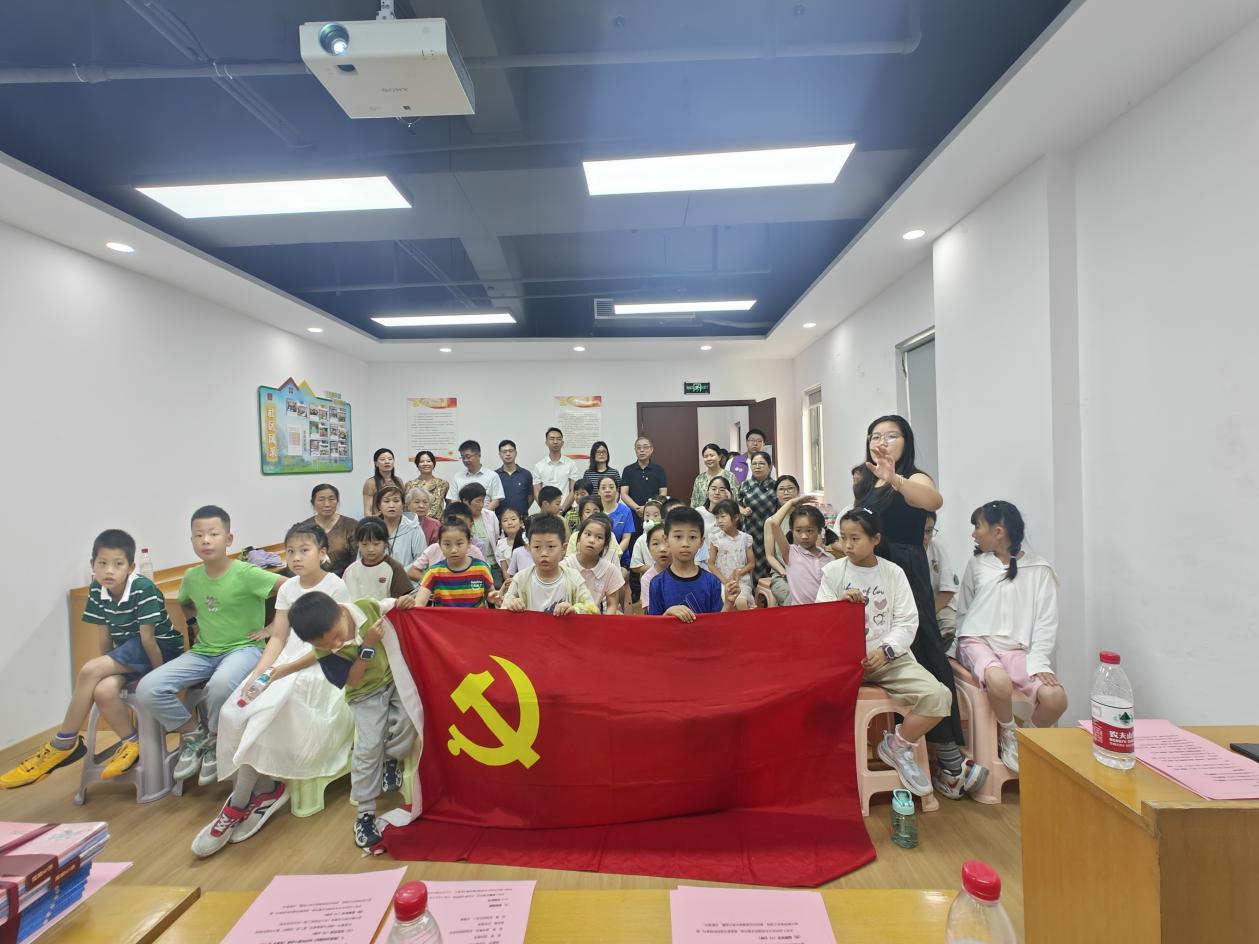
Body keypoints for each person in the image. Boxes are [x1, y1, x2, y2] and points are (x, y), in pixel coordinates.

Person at [194, 521, 361, 858]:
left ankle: (241, 802)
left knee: (274, 708)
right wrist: (259, 674)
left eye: (304, 550)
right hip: (285, 660)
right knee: (237, 707)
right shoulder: (287, 589)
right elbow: (279, 637)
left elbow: (333, 643)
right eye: (290, 552)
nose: (296, 558)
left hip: (321, 663)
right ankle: (261, 791)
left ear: (322, 553)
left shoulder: (335, 586)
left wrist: (281, 672)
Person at [852, 414, 983, 800]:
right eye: (875, 435)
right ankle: (907, 742)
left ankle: (949, 759)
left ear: (906, 442)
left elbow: (933, 502)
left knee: (925, 650)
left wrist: (895, 478)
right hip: (872, 569)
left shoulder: (914, 477)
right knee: (881, 643)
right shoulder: (865, 481)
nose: (882, 441)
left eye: (891, 435)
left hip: (906, 567)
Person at [1, 529, 185, 788]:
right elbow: (104, 637)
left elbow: (149, 641)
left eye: (118, 564)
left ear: (131, 567)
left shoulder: (143, 588)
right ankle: (132, 743)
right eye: (102, 563)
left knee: (90, 670)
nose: (109, 570)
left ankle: (64, 743)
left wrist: (158, 677)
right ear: (93, 565)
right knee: (103, 689)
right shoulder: (97, 590)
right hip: (129, 653)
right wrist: (106, 670)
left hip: (160, 649)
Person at [133, 506, 283, 789]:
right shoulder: (191, 577)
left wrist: (273, 627)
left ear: (229, 539)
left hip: (244, 649)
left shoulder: (247, 573)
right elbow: (186, 602)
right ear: (191, 541)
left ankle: (215, 740)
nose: (206, 540)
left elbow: (291, 589)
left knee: (220, 686)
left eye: (213, 534)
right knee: (148, 688)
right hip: (204, 652)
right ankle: (194, 736)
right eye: (199, 535)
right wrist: (194, 625)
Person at [816, 509, 953, 799]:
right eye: (844, 537)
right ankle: (826, 766)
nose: (847, 545)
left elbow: (907, 621)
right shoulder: (833, 572)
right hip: (843, 662)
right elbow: (820, 622)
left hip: (888, 660)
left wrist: (886, 650)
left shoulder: (893, 573)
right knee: (813, 703)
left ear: (876, 539)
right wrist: (839, 605)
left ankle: (897, 745)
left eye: (855, 538)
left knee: (939, 696)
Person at [291, 591, 418, 850]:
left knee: (411, 719)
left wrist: (402, 602)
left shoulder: (366, 607)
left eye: (337, 636)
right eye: (325, 644)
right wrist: (368, 646)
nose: (335, 644)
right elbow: (352, 680)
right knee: (368, 747)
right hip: (364, 694)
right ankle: (365, 814)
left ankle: (391, 759)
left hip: (393, 679)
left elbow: (390, 605)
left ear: (342, 612)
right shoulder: (324, 652)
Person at [956, 501, 1068, 772]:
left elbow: (1046, 621)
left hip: (1017, 650)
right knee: (999, 681)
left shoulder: (1040, 569)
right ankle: (1007, 732)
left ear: (998, 532)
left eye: (977, 527)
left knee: (1056, 699)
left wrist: (1039, 661)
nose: (973, 534)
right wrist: (955, 646)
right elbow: (964, 611)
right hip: (977, 641)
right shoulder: (977, 564)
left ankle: (1025, 736)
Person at [648, 507, 736, 620]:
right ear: (666, 540)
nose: (685, 543)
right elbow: (653, 626)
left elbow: (717, 623)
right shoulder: (657, 584)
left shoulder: (711, 582)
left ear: (701, 542)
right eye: (678, 537)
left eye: (692, 537)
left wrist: (729, 603)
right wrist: (667, 614)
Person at [497, 515, 597, 614]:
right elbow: (503, 610)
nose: (544, 553)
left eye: (551, 546)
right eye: (537, 547)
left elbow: (592, 610)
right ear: (529, 548)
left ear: (563, 548)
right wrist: (512, 605)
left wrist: (575, 610)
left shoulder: (573, 578)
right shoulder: (521, 579)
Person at [766, 498, 831, 605]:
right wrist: (791, 502)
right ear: (792, 530)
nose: (804, 536)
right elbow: (774, 524)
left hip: (823, 611)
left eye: (809, 530)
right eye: (798, 531)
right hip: (798, 612)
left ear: (819, 530)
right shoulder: (791, 553)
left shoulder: (829, 559)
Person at [415, 521, 494, 608]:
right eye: (447, 544)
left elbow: (491, 596)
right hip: (443, 617)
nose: (453, 550)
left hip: (476, 617)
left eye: (459, 544)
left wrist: (495, 597)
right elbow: (419, 604)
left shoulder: (481, 569)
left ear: (469, 543)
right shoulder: (433, 572)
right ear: (440, 545)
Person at [406, 502, 489, 578]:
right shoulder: (434, 549)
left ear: (470, 525)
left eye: (461, 524)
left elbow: (485, 576)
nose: (456, 528)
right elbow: (412, 571)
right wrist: (433, 582)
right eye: (452, 523)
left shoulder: (475, 551)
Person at [563, 514, 625, 614]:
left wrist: (604, 623)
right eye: (587, 534)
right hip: (567, 617)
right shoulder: (565, 565)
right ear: (579, 538)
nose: (592, 540)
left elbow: (612, 605)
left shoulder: (610, 570)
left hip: (596, 618)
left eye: (599, 537)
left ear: (605, 544)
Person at [343, 518, 414, 602]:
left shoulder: (394, 568)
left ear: (385, 543)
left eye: (376, 544)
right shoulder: (350, 571)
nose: (370, 549)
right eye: (364, 544)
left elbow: (403, 600)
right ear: (358, 544)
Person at [737, 452, 779, 579]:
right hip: (750, 531)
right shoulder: (744, 485)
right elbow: (736, 503)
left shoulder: (776, 485)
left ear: (769, 466)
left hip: (770, 533)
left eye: (761, 463)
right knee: (749, 563)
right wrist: (742, 510)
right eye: (754, 464)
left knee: (768, 563)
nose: (757, 467)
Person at [707, 500, 754, 610]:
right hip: (722, 581)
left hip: (741, 581)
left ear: (736, 517)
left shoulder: (745, 538)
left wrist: (738, 573)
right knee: (726, 603)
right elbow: (710, 564)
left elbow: (751, 563)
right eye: (717, 518)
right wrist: (724, 580)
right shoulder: (715, 539)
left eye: (723, 517)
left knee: (741, 602)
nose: (719, 521)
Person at [458, 482, 503, 585]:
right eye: (478, 501)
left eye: (483, 501)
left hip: (492, 564)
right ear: (465, 501)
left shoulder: (490, 516)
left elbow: (497, 539)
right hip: (468, 566)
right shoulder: (459, 518)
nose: (481, 505)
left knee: (496, 588)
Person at [375, 485, 425, 577]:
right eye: (386, 501)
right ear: (379, 506)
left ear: (403, 505)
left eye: (396, 501)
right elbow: (362, 559)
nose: (391, 505)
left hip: (407, 581)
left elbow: (422, 560)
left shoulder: (414, 528)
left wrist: (399, 572)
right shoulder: (372, 529)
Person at [307, 483, 357, 576]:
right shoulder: (304, 528)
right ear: (313, 503)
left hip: (344, 578)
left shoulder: (351, 525)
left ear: (337, 501)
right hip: (313, 579)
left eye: (331, 499)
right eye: (321, 499)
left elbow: (357, 560)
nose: (327, 504)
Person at [923, 511, 959, 642]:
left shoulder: (937, 549)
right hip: (912, 609)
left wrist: (929, 615)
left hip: (938, 605)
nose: (925, 537)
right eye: (921, 531)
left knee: (950, 625)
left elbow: (947, 591)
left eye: (929, 531)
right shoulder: (903, 550)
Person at [620, 436, 668, 524]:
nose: (642, 450)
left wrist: (647, 509)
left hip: (655, 514)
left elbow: (663, 493)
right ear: (635, 450)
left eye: (645, 447)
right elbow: (623, 494)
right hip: (633, 514)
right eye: (638, 448)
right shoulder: (628, 470)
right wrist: (638, 509)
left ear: (651, 449)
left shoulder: (659, 470)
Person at [533, 427, 581, 513]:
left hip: (566, 510)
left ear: (562, 443)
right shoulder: (539, 466)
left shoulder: (571, 464)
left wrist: (562, 509)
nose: (555, 442)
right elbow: (537, 492)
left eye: (558, 439)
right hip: (546, 512)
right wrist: (546, 509)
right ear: (546, 443)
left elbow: (573, 490)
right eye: (552, 439)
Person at [450, 440, 504, 512]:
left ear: (479, 455)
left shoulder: (492, 475)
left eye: (468, 457)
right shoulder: (457, 476)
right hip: (463, 516)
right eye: (463, 457)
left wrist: (481, 515)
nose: (465, 460)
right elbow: (453, 500)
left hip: (485, 516)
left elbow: (496, 500)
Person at [690, 442, 737, 508]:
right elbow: (694, 502)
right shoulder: (700, 478)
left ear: (719, 457)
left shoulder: (730, 476)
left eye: (712, 455)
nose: (709, 459)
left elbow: (735, 499)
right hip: (702, 514)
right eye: (705, 456)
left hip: (724, 513)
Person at [496, 439, 534, 519]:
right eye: (504, 452)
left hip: (522, 518)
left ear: (516, 453)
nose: (508, 454)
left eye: (510, 451)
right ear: (500, 455)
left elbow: (531, 496)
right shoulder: (495, 475)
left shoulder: (526, 474)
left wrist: (522, 509)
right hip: (501, 519)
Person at [629, 498, 665, 577]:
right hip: (648, 580)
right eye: (647, 515)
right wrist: (656, 569)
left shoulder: (668, 537)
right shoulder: (641, 540)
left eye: (655, 515)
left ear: (663, 517)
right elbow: (635, 567)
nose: (650, 518)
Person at [638, 523, 671, 612]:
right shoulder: (647, 579)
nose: (662, 549)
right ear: (649, 549)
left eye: (667, 542)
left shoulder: (685, 572)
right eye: (655, 544)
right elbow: (650, 610)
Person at [363, 448, 405, 517]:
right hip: (378, 520)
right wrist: (371, 522)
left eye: (390, 459)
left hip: (397, 519)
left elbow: (403, 505)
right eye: (382, 459)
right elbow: (367, 511)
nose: (387, 462)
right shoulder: (371, 483)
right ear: (376, 463)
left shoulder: (399, 481)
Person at [495, 507, 527, 593]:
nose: (509, 523)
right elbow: (505, 570)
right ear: (501, 526)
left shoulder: (528, 538)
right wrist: (512, 585)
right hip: (513, 582)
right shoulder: (500, 544)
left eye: (513, 519)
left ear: (521, 523)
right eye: (505, 520)